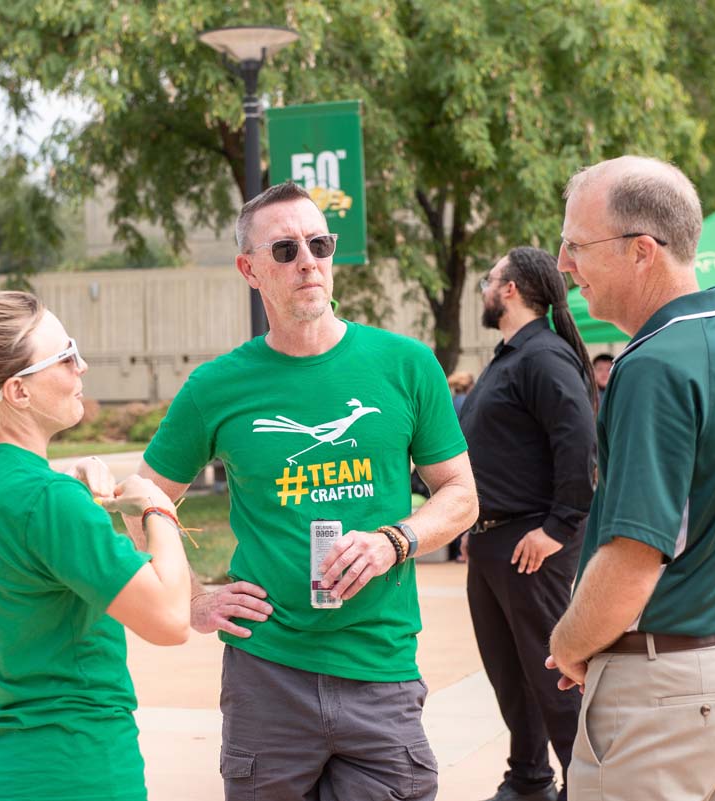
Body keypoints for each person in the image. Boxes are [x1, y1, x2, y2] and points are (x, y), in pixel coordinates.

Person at [134, 180, 478, 801]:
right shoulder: (217, 386)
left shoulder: (405, 365)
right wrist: (191, 599)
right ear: (250, 269)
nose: (309, 261)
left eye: (319, 244)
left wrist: (394, 541)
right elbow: (145, 498)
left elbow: (461, 493)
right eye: (286, 250)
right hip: (268, 675)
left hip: (381, 670)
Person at [547, 156, 715, 801]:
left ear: (642, 251)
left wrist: (570, 640)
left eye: (575, 245)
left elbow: (636, 554)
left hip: (667, 690)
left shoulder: (653, 365)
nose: (564, 264)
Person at [0, 291, 192, 801]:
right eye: (65, 357)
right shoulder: (48, 502)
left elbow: (15, 526)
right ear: (18, 391)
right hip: (78, 768)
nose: (82, 367)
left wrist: (68, 489)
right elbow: (172, 620)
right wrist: (156, 508)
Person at [460, 247, 596, 801]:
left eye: (490, 279)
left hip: (533, 543)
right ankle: (529, 777)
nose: (486, 289)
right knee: (510, 673)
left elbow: (580, 442)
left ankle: (585, 785)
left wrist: (558, 528)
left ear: (511, 289)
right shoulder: (510, 355)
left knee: (551, 672)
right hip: (494, 541)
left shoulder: (543, 356)